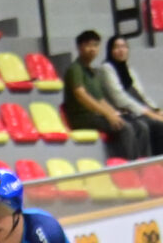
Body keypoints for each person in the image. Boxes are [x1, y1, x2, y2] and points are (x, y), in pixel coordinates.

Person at [62, 28, 145, 159]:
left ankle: (144, 164)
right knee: (125, 128)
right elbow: (81, 95)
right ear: (79, 47)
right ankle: (129, 168)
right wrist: (108, 115)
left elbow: (100, 99)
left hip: (95, 116)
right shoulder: (75, 69)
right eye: (88, 45)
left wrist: (114, 113)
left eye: (95, 45)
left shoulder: (92, 72)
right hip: (81, 118)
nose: (92, 49)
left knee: (139, 125)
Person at [100, 35, 163, 154]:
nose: (121, 50)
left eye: (123, 47)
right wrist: (150, 114)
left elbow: (141, 95)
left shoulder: (129, 69)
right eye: (116, 47)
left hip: (143, 110)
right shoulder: (106, 69)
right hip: (129, 113)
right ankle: (162, 166)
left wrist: (158, 110)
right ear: (110, 51)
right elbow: (120, 98)